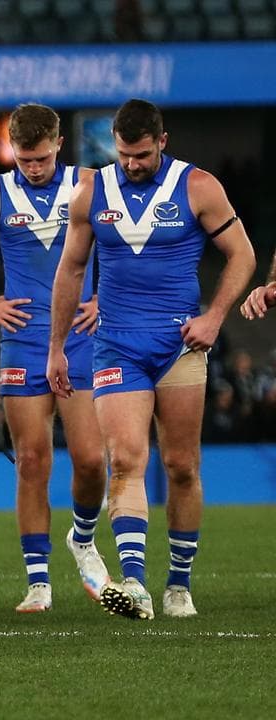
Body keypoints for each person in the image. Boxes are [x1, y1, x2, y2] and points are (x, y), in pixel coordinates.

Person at [47, 99, 255, 620]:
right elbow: (71, 271)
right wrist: (55, 348)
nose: (132, 163)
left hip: (180, 345)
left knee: (182, 465)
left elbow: (243, 255)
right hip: (116, 344)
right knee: (128, 459)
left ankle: (179, 584)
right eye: (123, 154)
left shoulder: (199, 187)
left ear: (162, 141)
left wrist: (214, 318)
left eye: (141, 154)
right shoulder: (92, 190)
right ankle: (134, 584)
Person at [0, 103, 111, 612]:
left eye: (40, 158)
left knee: (92, 458)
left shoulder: (90, 184)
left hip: (81, 336)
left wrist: (105, 299)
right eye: (23, 159)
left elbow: (126, 245)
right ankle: (38, 583)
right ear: (11, 148)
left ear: (58, 143)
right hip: (24, 341)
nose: (32, 168)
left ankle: (82, 536)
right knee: (31, 460)